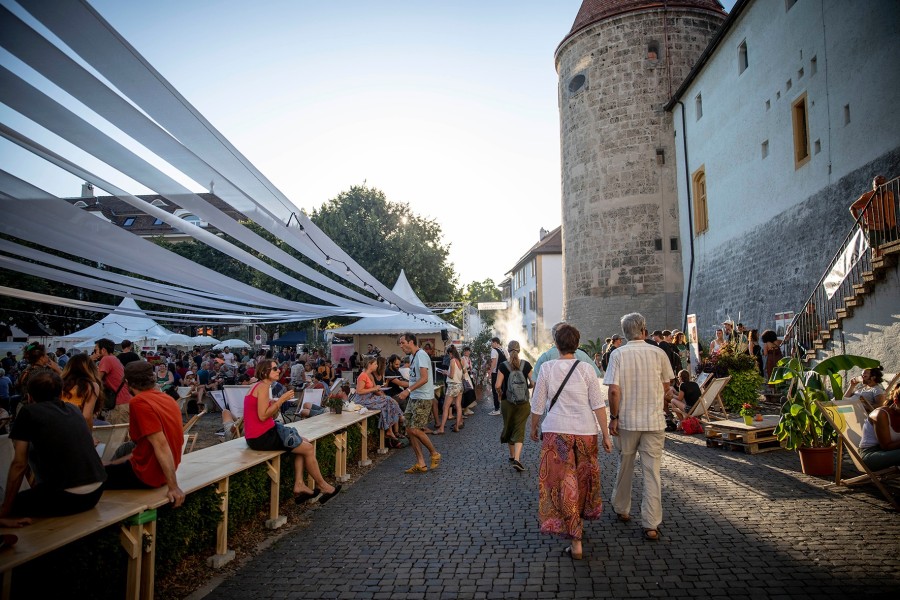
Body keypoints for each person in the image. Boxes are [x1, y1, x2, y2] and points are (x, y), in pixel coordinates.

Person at [529, 323, 612, 559]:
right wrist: (605, 435)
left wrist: (534, 427)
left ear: (556, 344)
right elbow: (598, 405)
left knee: (562, 485)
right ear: (577, 345)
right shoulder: (586, 370)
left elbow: (537, 405)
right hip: (586, 432)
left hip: (556, 432)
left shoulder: (546, 368)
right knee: (582, 481)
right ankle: (578, 527)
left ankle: (575, 539)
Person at [603, 312, 675, 542]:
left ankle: (622, 507)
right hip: (653, 421)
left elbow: (613, 390)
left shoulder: (618, 354)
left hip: (627, 421)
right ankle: (651, 523)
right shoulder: (659, 353)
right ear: (644, 330)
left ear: (624, 333)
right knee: (652, 472)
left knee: (625, 465)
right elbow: (667, 388)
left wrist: (613, 416)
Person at [0, 371, 106, 519]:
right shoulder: (73, 409)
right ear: (61, 391)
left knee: (11, 505)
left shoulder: (29, 412)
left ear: (30, 396)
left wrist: (5, 509)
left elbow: (19, 464)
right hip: (96, 492)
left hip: (66, 496)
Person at [244, 359, 341, 503]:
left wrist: (274, 404)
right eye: (275, 368)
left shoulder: (258, 386)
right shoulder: (263, 387)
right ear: (265, 372)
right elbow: (263, 415)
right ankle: (323, 486)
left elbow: (268, 415)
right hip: (262, 436)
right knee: (307, 448)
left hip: (263, 433)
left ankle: (299, 484)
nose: (279, 370)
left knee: (303, 442)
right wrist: (281, 400)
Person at [102, 361, 185, 507]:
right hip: (161, 472)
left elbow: (160, 444)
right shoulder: (167, 399)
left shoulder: (139, 402)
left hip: (149, 476)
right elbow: (144, 449)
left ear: (127, 382)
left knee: (87, 479)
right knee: (106, 467)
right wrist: (112, 464)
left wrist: (174, 487)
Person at [396, 333, 440, 473]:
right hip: (414, 396)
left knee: (415, 429)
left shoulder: (421, 355)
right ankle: (420, 463)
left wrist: (407, 390)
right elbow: (414, 379)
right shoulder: (412, 356)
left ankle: (434, 453)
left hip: (423, 397)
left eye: (403, 343)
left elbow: (425, 378)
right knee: (409, 429)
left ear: (411, 342)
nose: (401, 346)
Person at [495, 341, 533, 471]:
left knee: (509, 426)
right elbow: (534, 382)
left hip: (507, 402)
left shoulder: (503, 366)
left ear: (508, 350)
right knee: (519, 428)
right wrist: (526, 387)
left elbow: (497, 386)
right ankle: (517, 458)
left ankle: (512, 456)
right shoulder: (526, 365)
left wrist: (501, 394)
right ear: (519, 350)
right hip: (523, 403)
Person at [533, 323, 602, 384]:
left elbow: (537, 387)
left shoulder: (545, 358)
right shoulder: (583, 355)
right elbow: (595, 378)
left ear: (555, 338)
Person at [354, 357, 403, 439]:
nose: (377, 366)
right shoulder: (362, 376)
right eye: (375, 364)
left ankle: (390, 429)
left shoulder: (370, 375)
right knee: (388, 400)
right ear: (369, 364)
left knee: (387, 401)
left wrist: (380, 390)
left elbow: (375, 389)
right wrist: (374, 389)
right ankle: (400, 417)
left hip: (370, 398)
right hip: (363, 400)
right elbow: (359, 391)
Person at [850, 175, 896, 258]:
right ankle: (877, 266)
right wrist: (860, 223)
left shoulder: (890, 195)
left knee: (895, 244)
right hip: (874, 226)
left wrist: (894, 222)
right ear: (873, 185)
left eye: (882, 184)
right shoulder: (867, 196)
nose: (879, 186)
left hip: (889, 225)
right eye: (877, 184)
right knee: (876, 249)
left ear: (886, 184)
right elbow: (852, 208)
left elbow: (891, 210)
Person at [859, 385, 900, 471]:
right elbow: (886, 446)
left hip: (893, 452)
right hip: (871, 454)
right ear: (896, 401)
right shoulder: (881, 415)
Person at [93, 338, 131, 424]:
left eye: (95, 350)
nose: (94, 353)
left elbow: (96, 381)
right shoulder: (114, 359)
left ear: (103, 350)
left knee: (117, 436)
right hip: (124, 401)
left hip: (119, 405)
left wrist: (91, 359)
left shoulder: (106, 359)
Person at [61, 353, 103, 431]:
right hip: (76, 427)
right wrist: (89, 437)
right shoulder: (91, 386)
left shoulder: (60, 384)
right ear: (90, 368)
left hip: (58, 426)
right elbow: (86, 416)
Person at [436, 346, 465, 434]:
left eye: (449, 354)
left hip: (452, 386)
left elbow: (451, 375)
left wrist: (445, 372)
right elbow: (463, 376)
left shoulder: (452, 361)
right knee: (458, 406)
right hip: (460, 385)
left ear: (450, 353)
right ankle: (457, 426)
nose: (449, 356)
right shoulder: (461, 361)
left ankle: (441, 428)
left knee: (445, 407)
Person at [488, 337, 506, 415]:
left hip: (496, 373)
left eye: (491, 343)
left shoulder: (493, 351)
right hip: (504, 373)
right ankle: (504, 408)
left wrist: (490, 373)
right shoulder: (504, 350)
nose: (491, 344)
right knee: (503, 389)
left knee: (495, 390)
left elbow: (494, 363)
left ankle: (496, 409)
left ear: (495, 343)